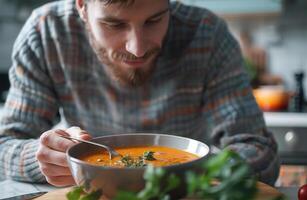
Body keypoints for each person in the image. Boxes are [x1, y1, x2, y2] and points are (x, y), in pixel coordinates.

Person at [0, 0, 279, 187]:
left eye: (154, 20)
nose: (138, 48)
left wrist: (188, 174)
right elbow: (5, 147)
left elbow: (258, 152)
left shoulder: (208, 36)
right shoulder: (45, 32)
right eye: (114, 25)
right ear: (82, 6)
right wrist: (52, 159)